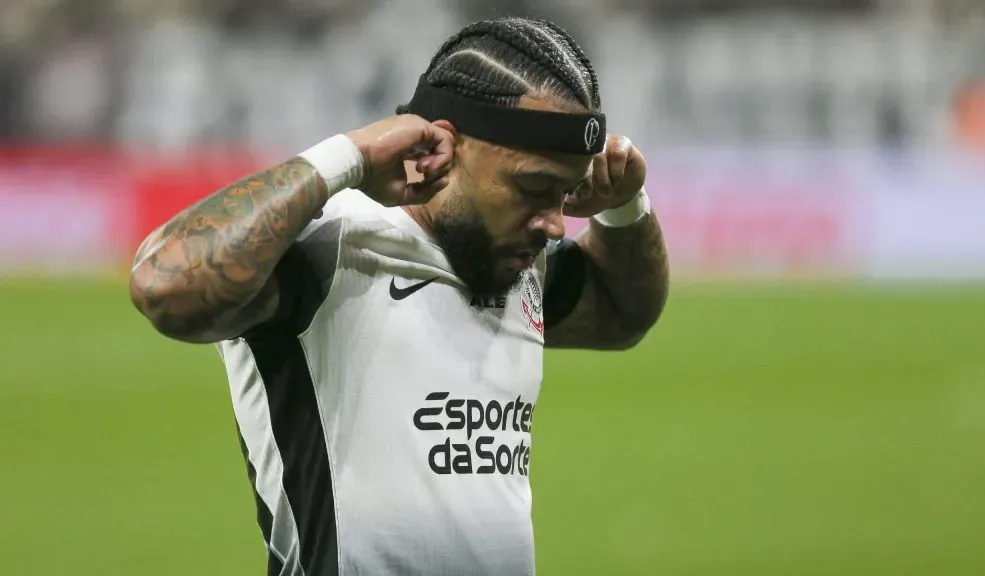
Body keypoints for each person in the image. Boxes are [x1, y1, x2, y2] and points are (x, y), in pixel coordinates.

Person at [129, 16, 669, 576]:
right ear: (446, 145)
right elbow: (164, 286)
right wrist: (347, 156)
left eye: (566, 192)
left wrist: (625, 206)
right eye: (534, 187)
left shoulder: (508, 257)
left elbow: (620, 316)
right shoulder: (332, 245)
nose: (555, 224)